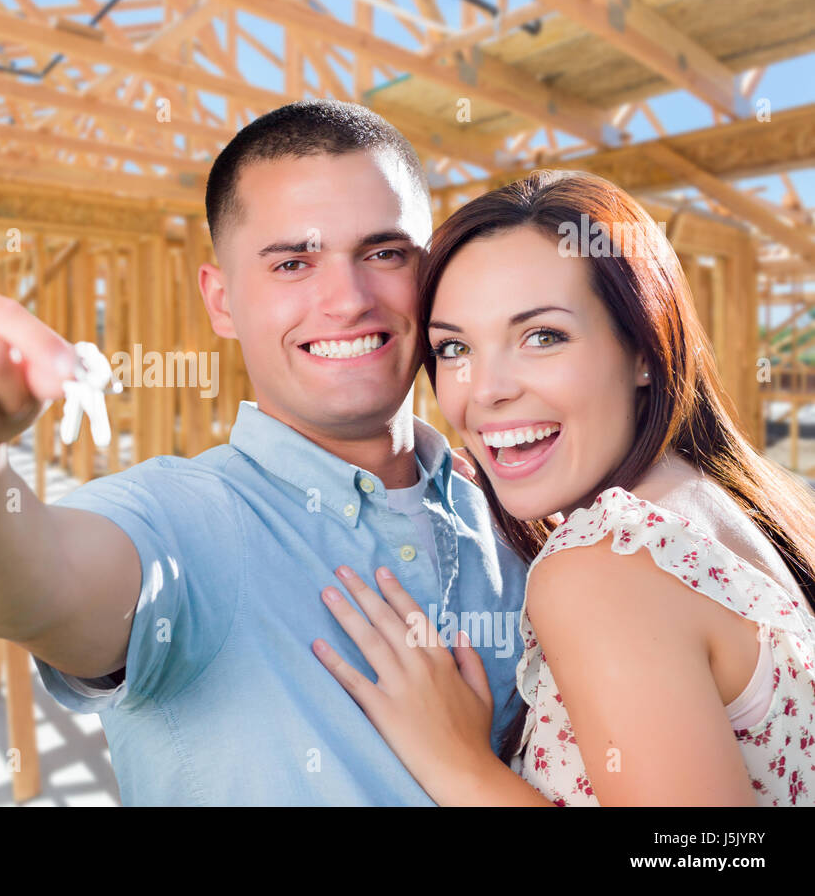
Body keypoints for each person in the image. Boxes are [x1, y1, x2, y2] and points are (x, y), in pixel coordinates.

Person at [0, 99, 529, 805]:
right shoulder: (183, 518)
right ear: (221, 301)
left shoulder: (508, 506)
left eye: (385, 253)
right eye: (293, 263)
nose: (347, 299)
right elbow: (32, 585)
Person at [310, 170, 815, 806]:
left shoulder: (603, 570)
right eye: (455, 347)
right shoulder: (723, 502)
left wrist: (460, 765)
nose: (485, 389)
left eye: (542, 336)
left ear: (643, 349)